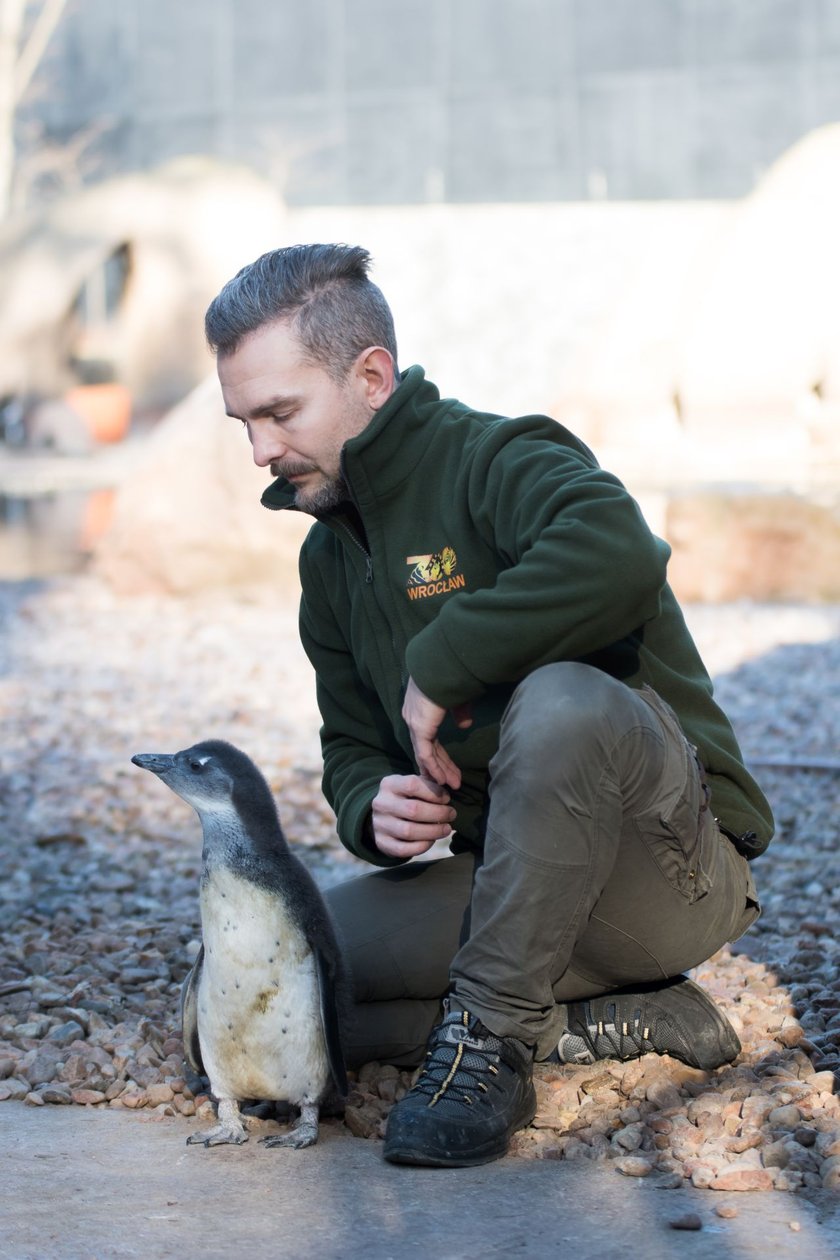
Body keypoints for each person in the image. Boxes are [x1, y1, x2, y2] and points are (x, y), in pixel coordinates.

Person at [205, 243, 772, 1169]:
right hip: (515, 889)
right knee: (273, 998)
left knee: (563, 698)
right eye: (244, 423)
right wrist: (370, 805)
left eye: (279, 413)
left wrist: (447, 661)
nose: (261, 451)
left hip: (668, 876)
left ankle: (489, 1044)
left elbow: (619, 553)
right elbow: (350, 745)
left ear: (373, 377)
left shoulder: (499, 457)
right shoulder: (328, 560)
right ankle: (599, 1022)